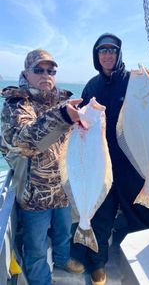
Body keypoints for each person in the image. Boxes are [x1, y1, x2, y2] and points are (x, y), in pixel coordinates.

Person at [71, 33, 149, 285]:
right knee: (101, 212)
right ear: (96, 56)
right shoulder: (91, 86)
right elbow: (82, 121)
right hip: (100, 161)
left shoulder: (134, 81)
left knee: (140, 210)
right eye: (102, 51)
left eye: (112, 50)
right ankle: (97, 264)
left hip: (131, 161)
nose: (107, 55)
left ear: (119, 54)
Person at [0, 49, 85, 285]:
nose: (45, 74)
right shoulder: (16, 105)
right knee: (36, 246)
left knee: (63, 231)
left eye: (51, 70)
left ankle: (62, 258)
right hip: (34, 195)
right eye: (38, 69)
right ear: (26, 74)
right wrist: (63, 117)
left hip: (63, 190)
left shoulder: (63, 102)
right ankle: (41, 281)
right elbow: (25, 140)